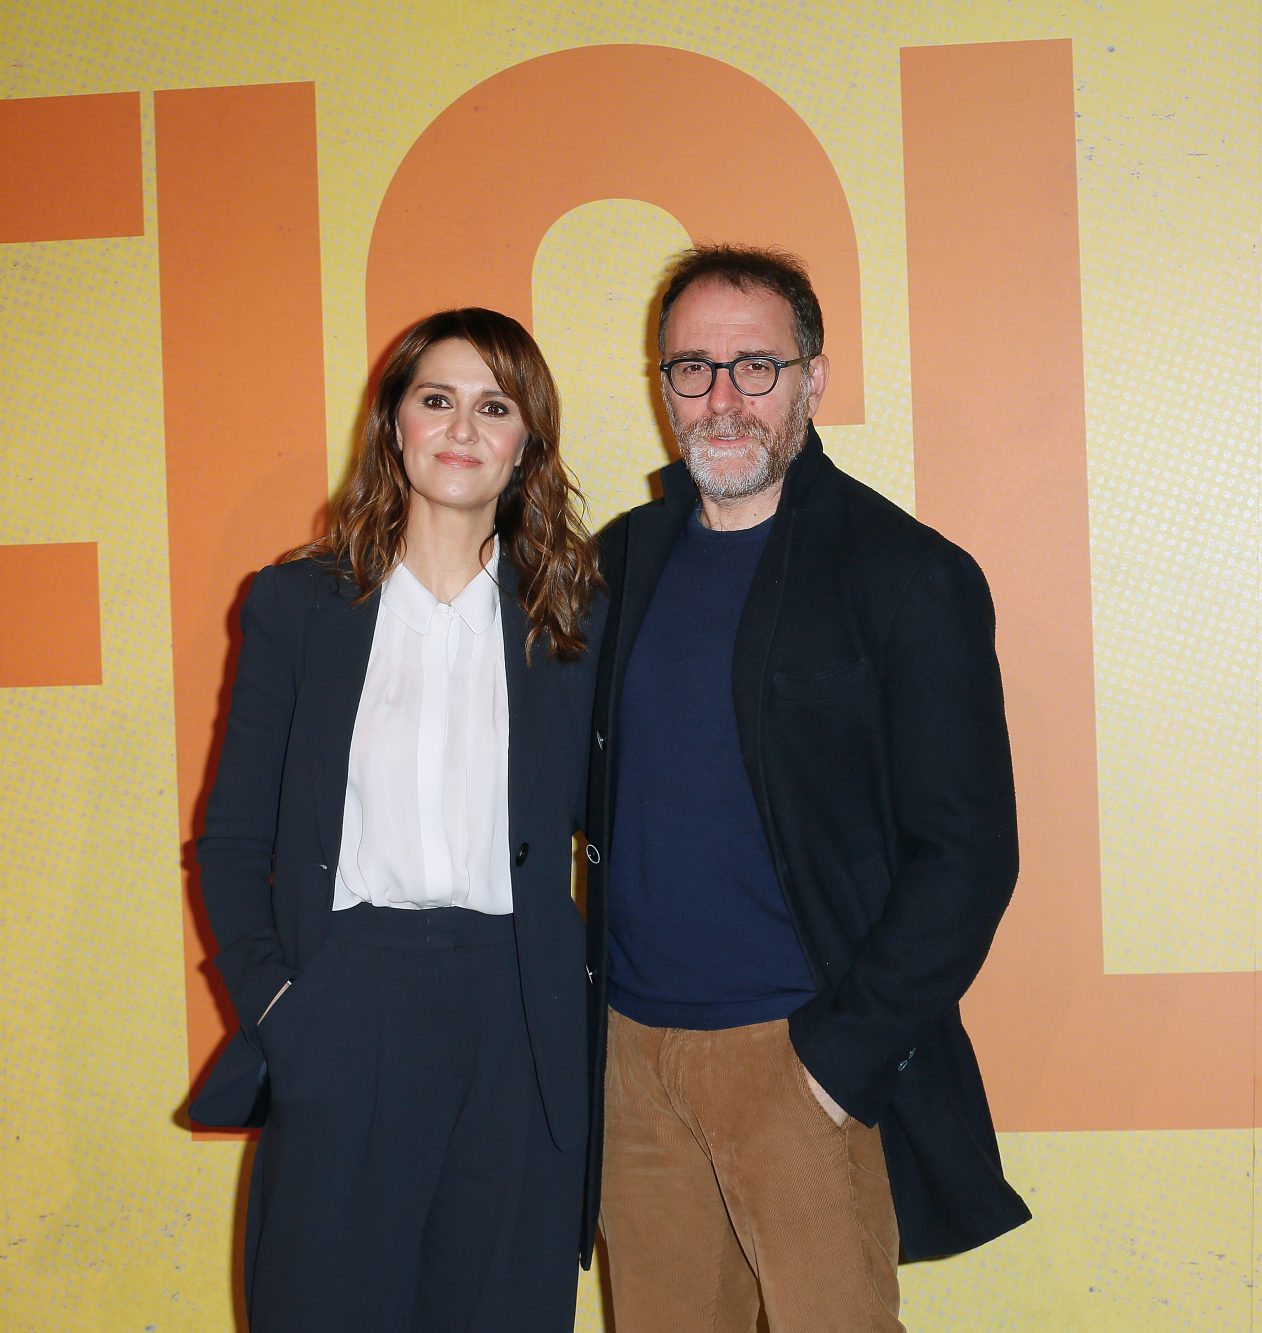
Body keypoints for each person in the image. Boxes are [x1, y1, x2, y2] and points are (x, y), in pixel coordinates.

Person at [583, 246, 1030, 1329]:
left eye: (755, 367)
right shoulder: (618, 563)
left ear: (812, 381)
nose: (722, 398)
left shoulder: (904, 573)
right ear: (661, 386)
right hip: (630, 1069)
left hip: (796, 1059)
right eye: (692, 368)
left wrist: (834, 1061)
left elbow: (966, 853)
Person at [190, 308, 601, 1332]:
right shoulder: (296, 606)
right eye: (436, 398)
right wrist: (281, 1009)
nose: (462, 427)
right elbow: (233, 839)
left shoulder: (574, 618)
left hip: (517, 1019)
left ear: (525, 441)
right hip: (348, 1001)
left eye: (493, 405)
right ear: (394, 424)